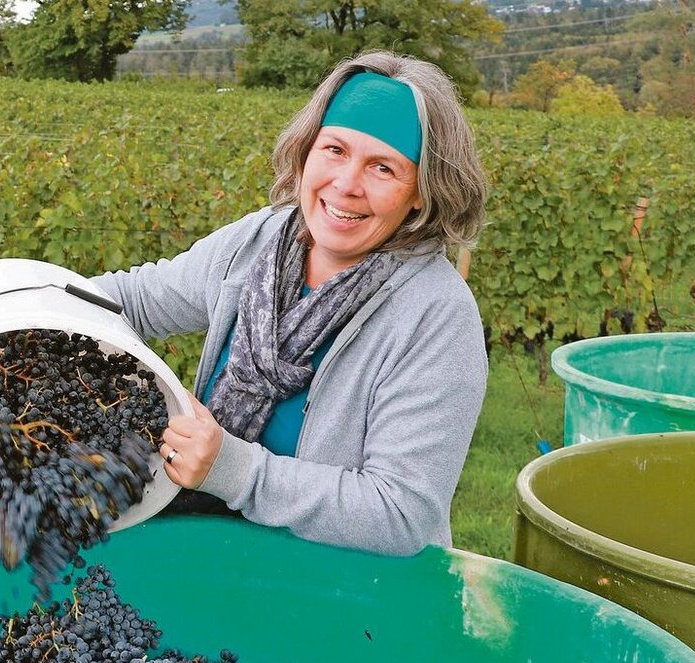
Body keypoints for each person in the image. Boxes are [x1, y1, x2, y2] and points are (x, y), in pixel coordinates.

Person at [92, 51, 489, 556]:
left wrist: (231, 469)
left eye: (383, 167)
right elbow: (134, 301)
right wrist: (24, 319)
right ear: (306, 153)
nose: (347, 184)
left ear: (422, 193)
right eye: (335, 150)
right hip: (218, 560)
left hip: (347, 601)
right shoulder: (259, 242)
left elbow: (400, 512)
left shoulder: (435, 315)